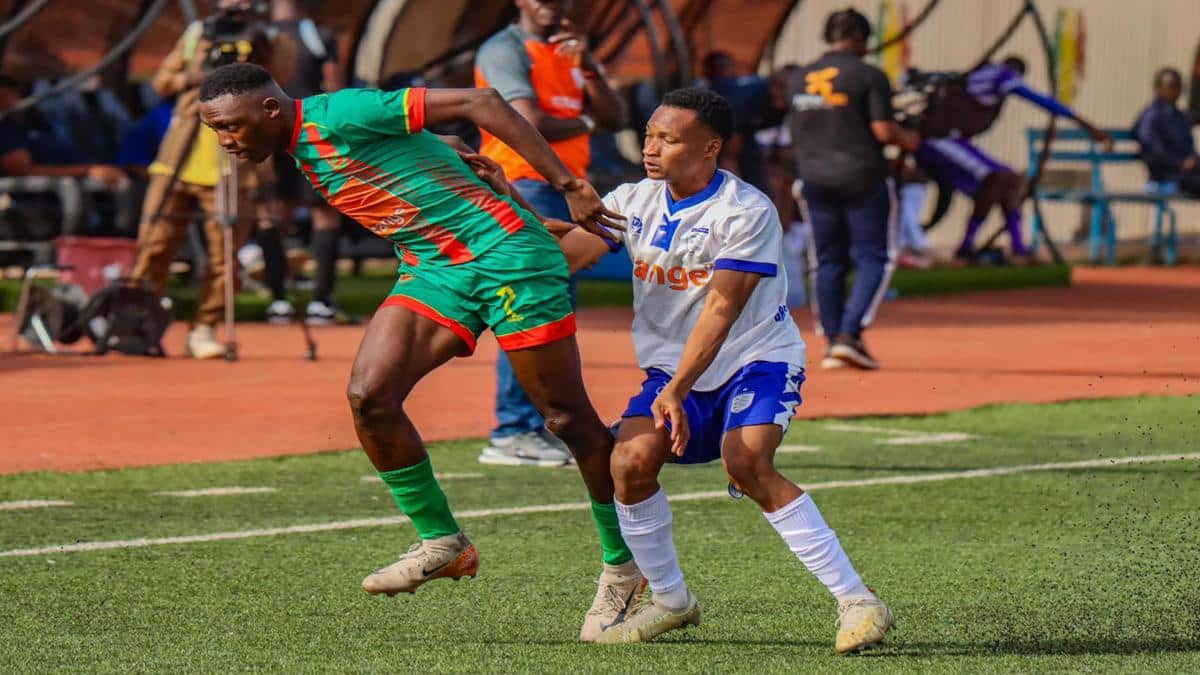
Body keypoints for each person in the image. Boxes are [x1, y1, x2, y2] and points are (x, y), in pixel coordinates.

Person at [196, 62, 643, 642]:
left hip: (506, 259)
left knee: (566, 419)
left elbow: (482, 101)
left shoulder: (342, 113)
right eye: (217, 132)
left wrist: (568, 184)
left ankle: (624, 566)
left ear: (271, 109)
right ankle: (443, 542)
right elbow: (449, 143)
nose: (226, 142)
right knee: (369, 397)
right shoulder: (304, 149)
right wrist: (462, 166)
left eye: (231, 127)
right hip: (436, 271)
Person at [552, 88, 892, 651]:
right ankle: (671, 600)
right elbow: (570, 254)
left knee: (747, 461)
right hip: (673, 370)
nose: (651, 148)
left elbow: (722, 308)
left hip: (755, 358)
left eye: (669, 138)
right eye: (649, 136)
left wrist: (677, 391)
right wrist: (499, 209)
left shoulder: (745, 210)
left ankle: (858, 601)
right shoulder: (634, 199)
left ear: (710, 147)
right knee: (630, 463)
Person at [473, 0, 627, 467]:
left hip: (562, 185)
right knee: (528, 306)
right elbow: (527, 123)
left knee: (552, 309)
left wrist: (591, 68)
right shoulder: (505, 49)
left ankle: (536, 425)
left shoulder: (569, 51)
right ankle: (512, 429)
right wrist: (585, 122)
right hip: (523, 184)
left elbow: (617, 118)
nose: (551, 6)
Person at [128, 0, 293, 358]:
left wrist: (260, 55)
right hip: (179, 158)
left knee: (224, 254)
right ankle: (140, 320)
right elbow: (161, 83)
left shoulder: (266, 40)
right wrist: (205, 74)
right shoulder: (197, 35)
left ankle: (204, 327)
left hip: (232, 162)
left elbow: (279, 93)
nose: (238, 6)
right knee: (154, 243)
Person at [786, 9, 920, 370]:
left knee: (827, 261)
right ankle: (849, 334)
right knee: (873, 257)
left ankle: (833, 341)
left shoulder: (797, 78)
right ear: (862, 38)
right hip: (862, 176)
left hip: (813, 177)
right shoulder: (868, 75)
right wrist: (913, 139)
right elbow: (885, 132)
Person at [913, 56, 1111, 262]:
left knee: (1005, 182)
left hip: (950, 141)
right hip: (939, 140)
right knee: (999, 178)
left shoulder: (980, 77)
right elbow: (1037, 99)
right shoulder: (1000, 76)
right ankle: (977, 246)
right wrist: (1086, 125)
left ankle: (1012, 247)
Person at [262, 0, 347, 324]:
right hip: (304, 132)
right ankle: (312, 301)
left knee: (278, 215)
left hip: (286, 133)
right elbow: (335, 88)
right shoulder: (317, 35)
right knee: (312, 214)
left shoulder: (312, 34)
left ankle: (283, 300)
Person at [1133, 67, 1200, 196]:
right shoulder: (1152, 116)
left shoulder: (1179, 116)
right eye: (1171, 85)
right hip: (1165, 176)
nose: (1176, 90)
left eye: (1178, 85)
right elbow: (1152, 150)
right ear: (1158, 88)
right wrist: (1180, 163)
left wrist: (1194, 159)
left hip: (1186, 173)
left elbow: (1188, 148)